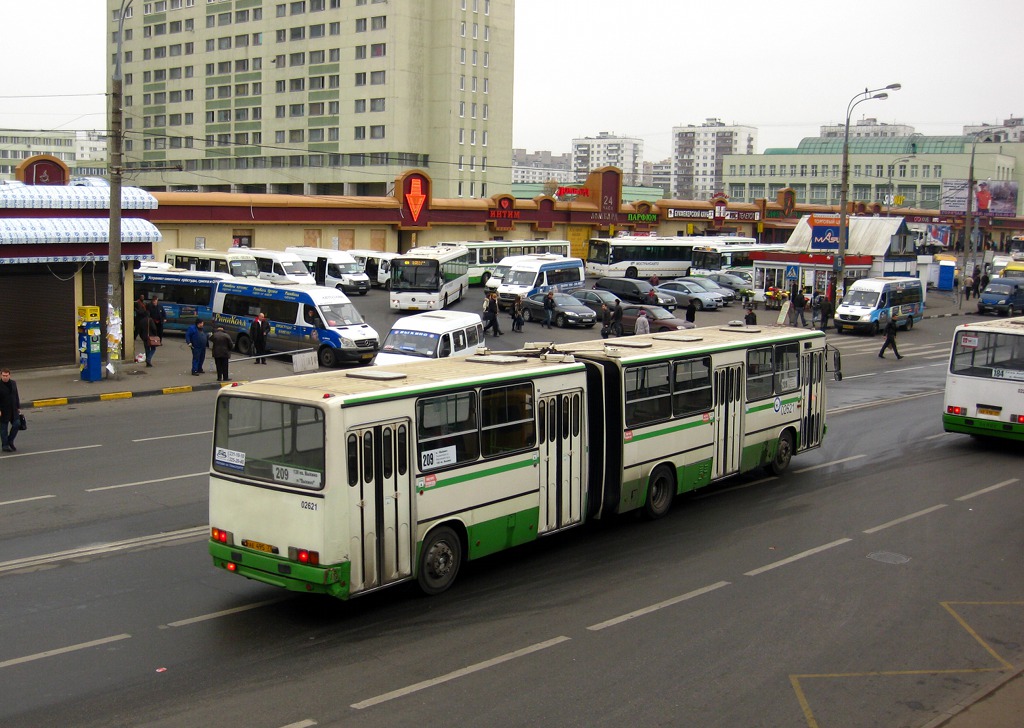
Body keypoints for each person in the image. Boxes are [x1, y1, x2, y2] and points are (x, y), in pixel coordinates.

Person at [0, 368, 22, 453]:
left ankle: (10, 440)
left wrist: (18, 406)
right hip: (3, 410)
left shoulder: (13, 383)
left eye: (6, 375)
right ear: (1, 375)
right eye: (3, 375)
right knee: (3, 429)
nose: (5, 377)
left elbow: (16, 395)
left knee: (17, 424)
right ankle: (5, 445)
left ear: (9, 375)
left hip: (13, 409)